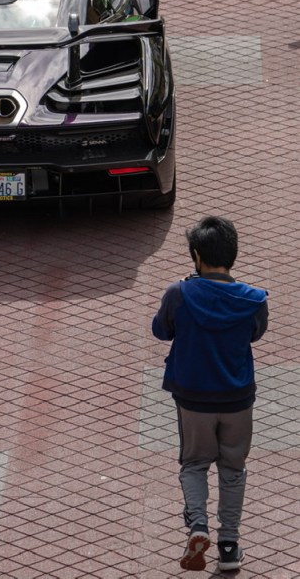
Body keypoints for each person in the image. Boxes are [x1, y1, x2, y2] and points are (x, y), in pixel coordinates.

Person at [152, 216, 268, 572]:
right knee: (233, 468)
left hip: (193, 399)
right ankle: (229, 545)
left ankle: (198, 525)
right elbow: (255, 334)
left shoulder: (179, 293)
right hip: (237, 398)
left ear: (197, 255)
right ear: (232, 253)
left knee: (194, 464)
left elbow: (161, 330)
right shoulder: (254, 299)